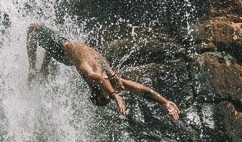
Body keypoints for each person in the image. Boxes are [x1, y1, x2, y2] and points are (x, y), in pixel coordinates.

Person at [26, 23, 180, 121]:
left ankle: (33, 68)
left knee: (33, 29)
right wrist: (164, 102)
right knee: (43, 39)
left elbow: (99, 79)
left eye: (106, 95)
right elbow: (141, 90)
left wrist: (114, 95)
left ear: (98, 91)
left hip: (63, 48)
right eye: (109, 95)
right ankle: (41, 67)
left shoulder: (89, 74)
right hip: (66, 49)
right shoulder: (112, 78)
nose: (112, 93)